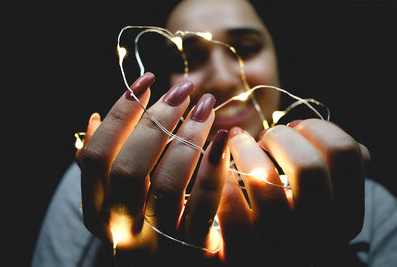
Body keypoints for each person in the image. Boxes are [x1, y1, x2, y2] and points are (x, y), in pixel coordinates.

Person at [32, 0, 397, 266]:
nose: (223, 79)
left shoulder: (372, 208)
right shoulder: (97, 191)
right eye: (187, 58)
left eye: (247, 49)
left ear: (280, 60)